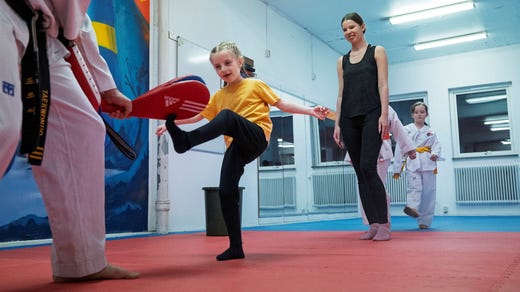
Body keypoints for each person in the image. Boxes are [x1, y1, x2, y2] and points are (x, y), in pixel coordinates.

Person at [0, 0, 139, 282]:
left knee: (83, 129)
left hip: (44, 37)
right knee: (4, 126)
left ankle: (81, 261)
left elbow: (79, 17)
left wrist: (107, 86)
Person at [156, 41, 328, 261]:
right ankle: (236, 247)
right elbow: (200, 116)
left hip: (257, 137)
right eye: (217, 67)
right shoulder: (219, 96)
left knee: (227, 117)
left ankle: (186, 142)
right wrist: (171, 125)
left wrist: (310, 110)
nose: (223, 69)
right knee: (226, 192)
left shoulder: (255, 85)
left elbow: (282, 105)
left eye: (227, 63)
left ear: (239, 62)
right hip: (237, 146)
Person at [333, 12, 391, 241]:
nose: (348, 32)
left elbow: (383, 84)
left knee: (368, 167)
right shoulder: (341, 61)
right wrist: (337, 123)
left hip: (372, 114)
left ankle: (385, 224)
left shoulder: (377, 51)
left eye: (352, 27)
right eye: (344, 29)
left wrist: (384, 114)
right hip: (348, 118)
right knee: (359, 172)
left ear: (363, 26)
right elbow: (340, 94)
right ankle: (373, 224)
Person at [345, 106, 416, 225]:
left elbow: (397, 128)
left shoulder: (385, 107)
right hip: (359, 149)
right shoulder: (356, 105)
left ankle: (384, 222)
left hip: (380, 150)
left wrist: (409, 148)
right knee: (364, 188)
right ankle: (372, 223)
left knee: (377, 186)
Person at [393, 101, 442, 229]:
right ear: (412, 115)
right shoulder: (406, 129)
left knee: (428, 192)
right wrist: (397, 168)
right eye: (416, 112)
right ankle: (412, 207)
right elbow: (400, 147)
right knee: (414, 187)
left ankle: (424, 221)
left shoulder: (431, 131)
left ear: (426, 114)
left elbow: (437, 145)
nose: (419, 114)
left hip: (428, 161)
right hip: (412, 160)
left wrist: (435, 154)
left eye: (422, 112)